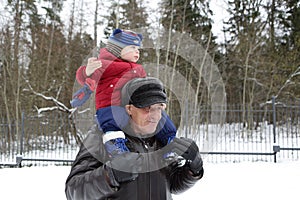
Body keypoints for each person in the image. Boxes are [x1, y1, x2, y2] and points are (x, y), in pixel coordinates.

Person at [65, 77, 204, 200]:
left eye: (159, 108)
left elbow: (172, 185)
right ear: (129, 109)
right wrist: (110, 175)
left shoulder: (161, 140)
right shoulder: (100, 138)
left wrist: (193, 169)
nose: (155, 116)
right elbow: (73, 191)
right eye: (147, 108)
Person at [71, 28, 177, 157]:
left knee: (159, 116)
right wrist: (87, 71)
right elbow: (87, 78)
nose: (137, 51)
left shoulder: (138, 68)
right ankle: (115, 144)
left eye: (138, 48)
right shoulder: (104, 64)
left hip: (134, 106)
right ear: (118, 49)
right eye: (132, 47)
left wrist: (153, 98)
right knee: (115, 120)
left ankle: (169, 143)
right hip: (111, 105)